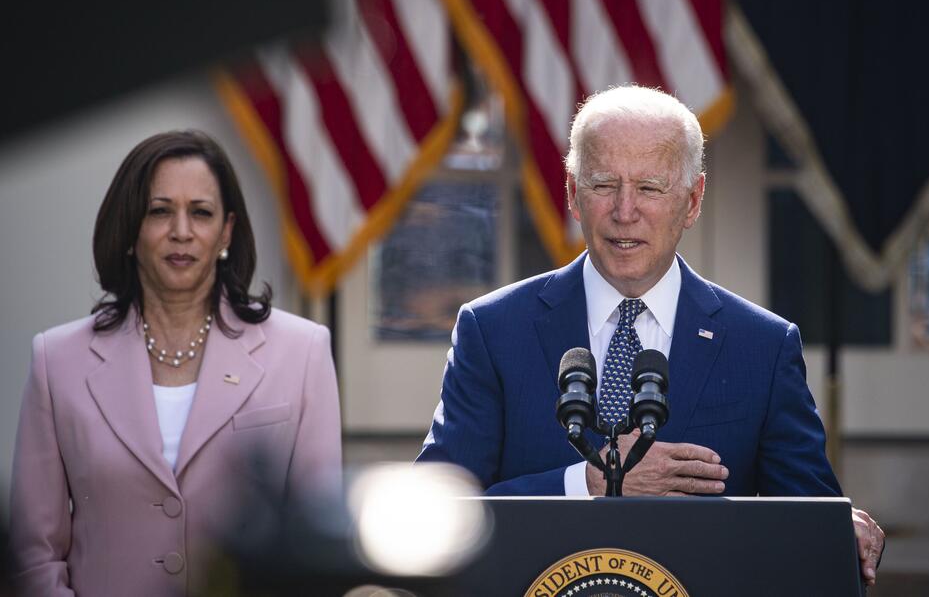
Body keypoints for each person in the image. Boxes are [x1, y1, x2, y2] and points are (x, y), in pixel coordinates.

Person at [417, 85, 884, 585]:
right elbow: (434, 510)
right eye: (603, 185)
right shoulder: (493, 330)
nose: (624, 211)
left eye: (650, 188)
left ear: (693, 200)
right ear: (573, 193)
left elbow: (807, 518)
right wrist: (590, 483)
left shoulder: (763, 347)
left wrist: (839, 529)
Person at [10, 131, 343, 597]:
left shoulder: (303, 350)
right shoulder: (56, 361)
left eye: (200, 213)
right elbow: (33, 555)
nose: (181, 231)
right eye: (160, 211)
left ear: (226, 231)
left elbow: (317, 540)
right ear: (130, 230)